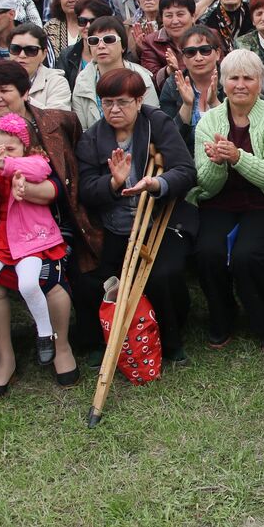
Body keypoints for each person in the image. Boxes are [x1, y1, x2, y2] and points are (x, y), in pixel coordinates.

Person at [76, 68, 198, 366]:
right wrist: (114, 183)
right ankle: (97, 341)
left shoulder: (157, 123)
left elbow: (185, 171)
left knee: (162, 274)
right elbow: (86, 190)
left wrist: (156, 184)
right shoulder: (93, 137)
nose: (114, 109)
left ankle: (171, 339)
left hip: (158, 219)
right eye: (107, 103)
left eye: (122, 102)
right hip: (114, 226)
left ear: (139, 100)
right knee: (90, 277)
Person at [191, 49, 264, 355]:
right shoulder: (208, 122)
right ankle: (222, 316)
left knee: (248, 255)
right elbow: (206, 184)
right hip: (219, 201)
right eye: (233, 77)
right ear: (222, 82)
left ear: (260, 82)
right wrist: (217, 164)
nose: (240, 84)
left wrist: (237, 157)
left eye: (248, 78)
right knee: (208, 251)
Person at [0, 113, 67, 396]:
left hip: (31, 237)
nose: (2, 154)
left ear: (25, 148)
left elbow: (38, 173)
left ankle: (46, 334)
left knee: (29, 283)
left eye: (11, 148)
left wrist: (6, 162)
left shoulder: (33, 161)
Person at [73, 15, 159, 131]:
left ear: (123, 46)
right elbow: (81, 130)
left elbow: (152, 123)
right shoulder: (82, 81)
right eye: (94, 41)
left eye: (109, 39)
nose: (101, 46)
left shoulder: (142, 77)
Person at [159, 24, 226, 152]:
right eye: (191, 52)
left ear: (217, 54)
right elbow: (168, 140)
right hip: (187, 162)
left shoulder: (231, 80)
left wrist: (215, 103)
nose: (198, 58)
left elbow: (238, 133)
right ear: (183, 58)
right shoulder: (173, 85)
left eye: (205, 50)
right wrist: (187, 105)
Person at [3, 22, 70, 111]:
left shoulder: (57, 82)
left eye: (31, 50)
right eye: (15, 49)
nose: (22, 55)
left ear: (44, 54)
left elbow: (58, 120)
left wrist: (24, 98)